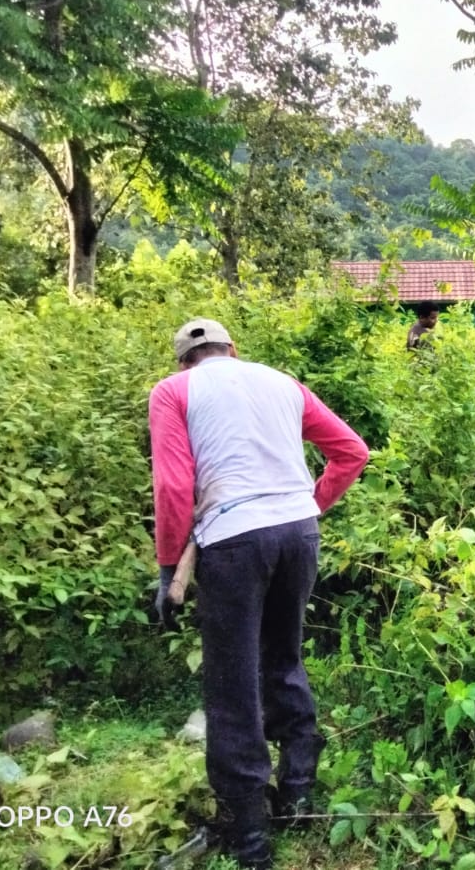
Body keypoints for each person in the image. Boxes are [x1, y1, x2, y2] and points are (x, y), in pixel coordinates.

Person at [149, 318, 370, 870]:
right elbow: (352, 452)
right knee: (284, 657)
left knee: (231, 685)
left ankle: (250, 834)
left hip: (232, 540)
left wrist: (167, 568)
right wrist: (309, 508)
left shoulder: (173, 392)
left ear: (184, 361)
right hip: (298, 531)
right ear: (233, 350)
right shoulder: (281, 381)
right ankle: (296, 791)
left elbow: (175, 485)